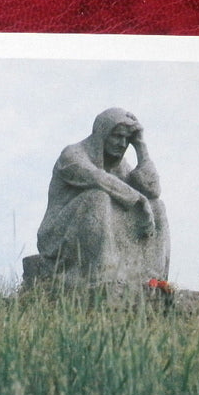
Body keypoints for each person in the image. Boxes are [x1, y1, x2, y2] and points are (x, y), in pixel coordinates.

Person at [29, 107, 169, 289]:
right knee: (97, 197)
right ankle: (102, 274)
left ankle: (153, 280)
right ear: (102, 134)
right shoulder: (72, 155)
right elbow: (98, 178)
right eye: (117, 136)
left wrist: (141, 147)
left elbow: (153, 191)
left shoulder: (120, 166)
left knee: (157, 206)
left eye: (127, 139)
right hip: (57, 237)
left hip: (105, 228)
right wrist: (137, 199)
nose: (122, 143)